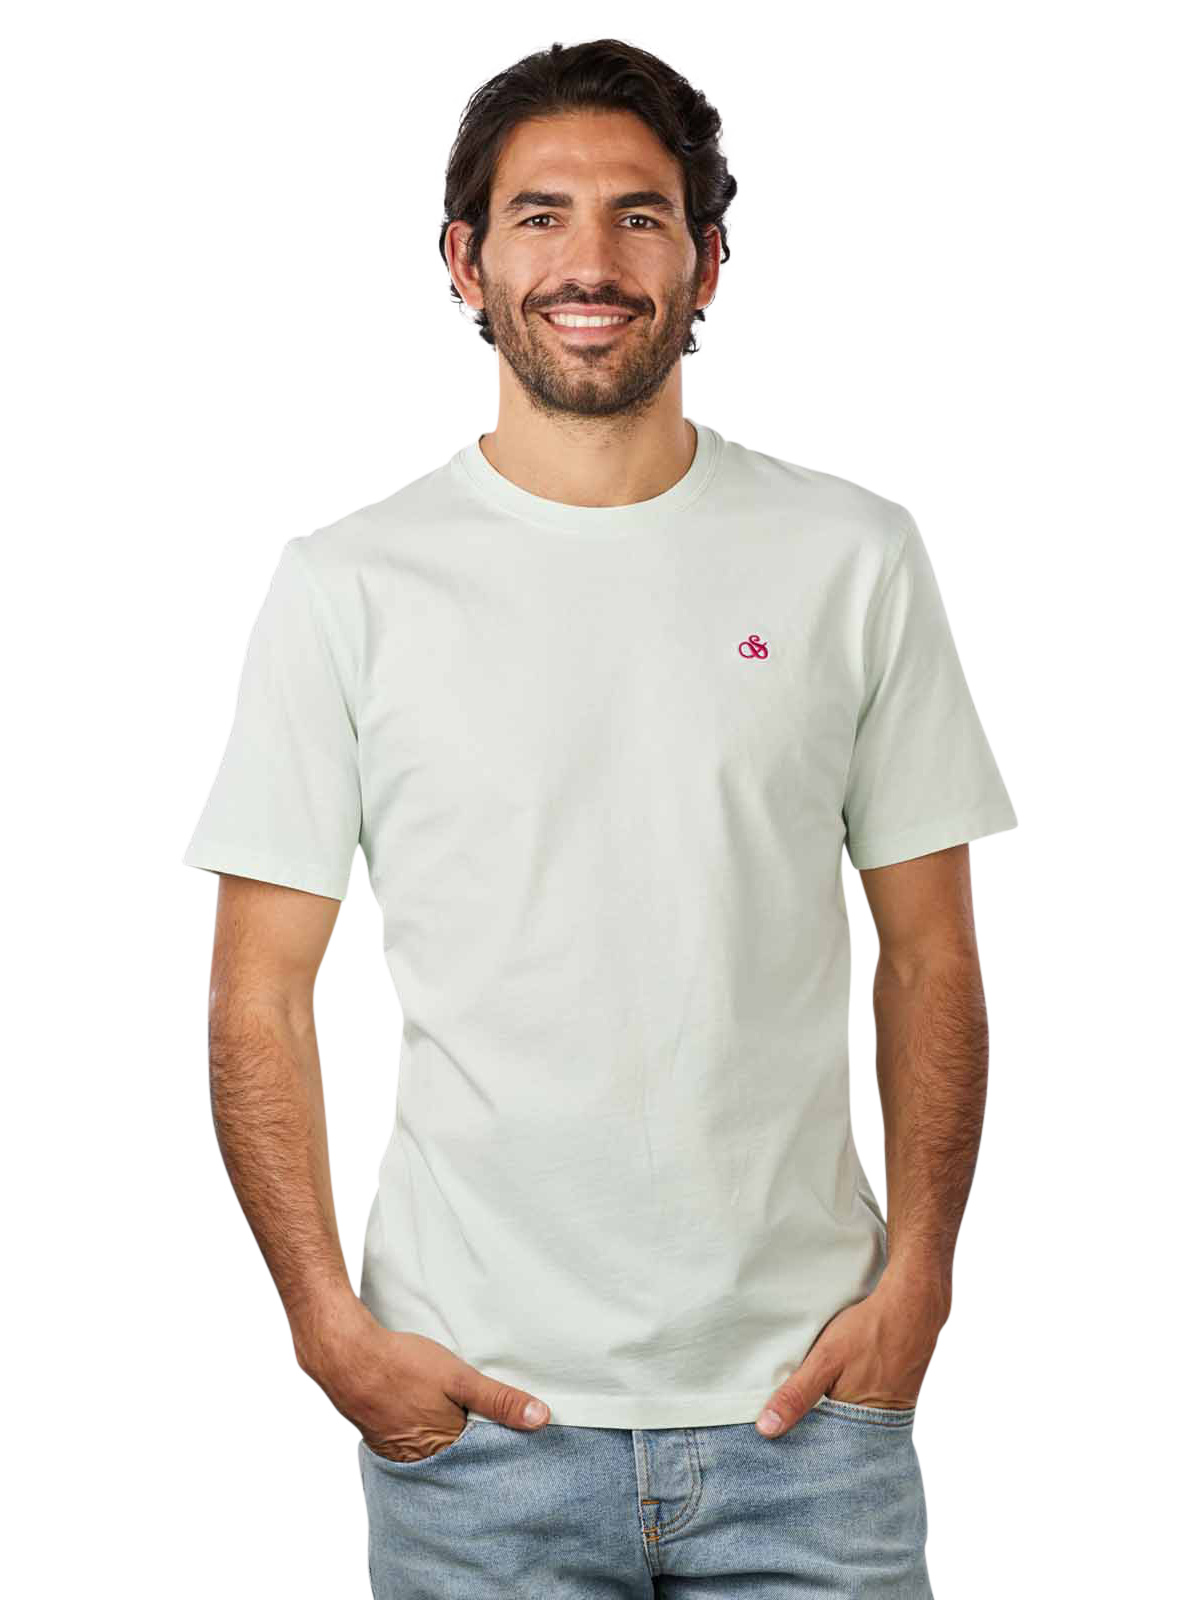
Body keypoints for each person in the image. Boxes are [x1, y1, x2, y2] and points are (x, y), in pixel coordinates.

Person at [181, 34, 1016, 1598]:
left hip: (809, 1424)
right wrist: (325, 1326)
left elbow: (933, 959)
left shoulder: (855, 556)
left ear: (708, 260)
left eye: (641, 216)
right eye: (539, 214)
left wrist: (922, 1284)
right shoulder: (348, 587)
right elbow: (259, 993)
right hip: (476, 1435)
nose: (591, 261)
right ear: (466, 259)